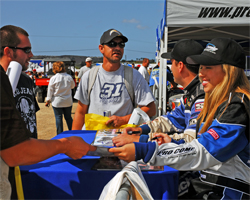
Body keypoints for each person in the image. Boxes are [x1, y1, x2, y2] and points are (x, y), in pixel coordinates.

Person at [110, 38, 250, 200]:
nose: (201, 73)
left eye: (208, 67)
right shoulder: (221, 100)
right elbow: (195, 139)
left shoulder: (236, 104)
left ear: (228, 71)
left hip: (229, 192)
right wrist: (144, 137)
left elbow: (203, 150)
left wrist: (145, 149)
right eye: (201, 67)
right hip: (213, 185)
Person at [0, 25, 96, 200]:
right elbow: (15, 152)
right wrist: (65, 145)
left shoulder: (22, 79)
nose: (31, 55)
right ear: (8, 51)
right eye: (26, 49)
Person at [72, 28, 156, 130]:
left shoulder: (133, 75)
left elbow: (151, 109)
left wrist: (124, 119)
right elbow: (80, 112)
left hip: (122, 140)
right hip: (92, 140)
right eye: (112, 44)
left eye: (121, 44)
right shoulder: (89, 76)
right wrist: (74, 139)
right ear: (101, 48)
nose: (117, 47)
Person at [45, 61, 75, 135]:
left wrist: (48, 100)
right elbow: (73, 86)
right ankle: (73, 133)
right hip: (67, 101)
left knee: (58, 118)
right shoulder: (69, 77)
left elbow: (50, 90)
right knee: (68, 118)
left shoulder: (53, 78)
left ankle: (60, 134)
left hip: (57, 101)